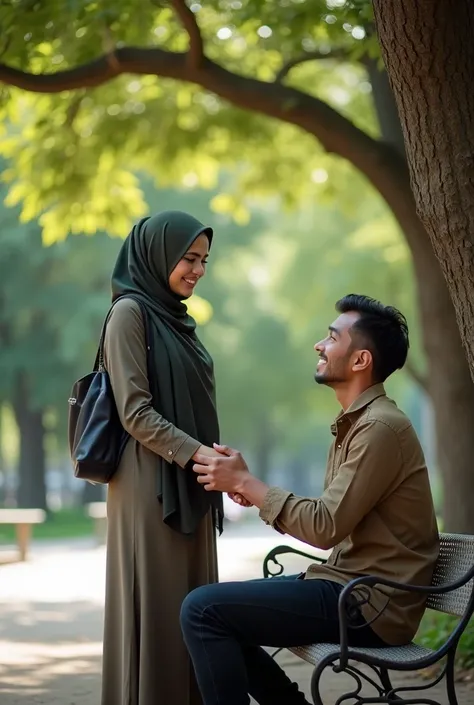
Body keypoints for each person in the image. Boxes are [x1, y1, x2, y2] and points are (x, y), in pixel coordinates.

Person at [181, 294, 440, 705]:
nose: (319, 345)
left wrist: (249, 483)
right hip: (350, 589)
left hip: (368, 605)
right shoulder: (360, 424)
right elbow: (332, 518)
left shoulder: (380, 429)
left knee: (203, 611)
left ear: (360, 361)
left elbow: (323, 527)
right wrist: (252, 488)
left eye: (332, 338)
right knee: (215, 611)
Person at [101, 211, 226, 705]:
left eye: (203, 260)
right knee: (157, 604)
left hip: (190, 475)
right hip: (148, 482)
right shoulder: (129, 313)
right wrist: (202, 457)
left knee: (195, 604)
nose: (196, 270)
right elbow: (134, 411)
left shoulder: (178, 319)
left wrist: (211, 460)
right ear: (157, 256)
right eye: (188, 258)